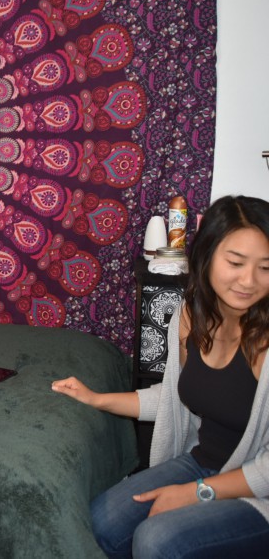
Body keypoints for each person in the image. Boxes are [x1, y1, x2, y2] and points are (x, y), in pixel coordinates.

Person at [52, 195, 269, 558]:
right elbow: (175, 397)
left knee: (158, 539)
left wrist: (198, 491)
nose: (248, 280)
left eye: (266, 267)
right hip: (203, 462)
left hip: (259, 490)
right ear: (207, 256)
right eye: (235, 262)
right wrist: (95, 398)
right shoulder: (190, 315)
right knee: (100, 522)